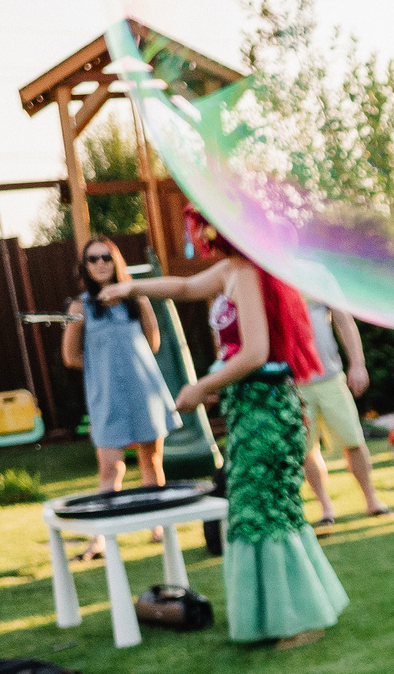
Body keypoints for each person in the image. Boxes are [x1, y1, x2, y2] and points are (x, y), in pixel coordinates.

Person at [103, 212, 348, 648]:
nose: (203, 239)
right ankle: (279, 616)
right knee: (257, 511)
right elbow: (183, 287)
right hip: (249, 412)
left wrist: (202, 386)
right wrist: (130, 287)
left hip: (269, 414)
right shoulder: (233, 270)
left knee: (265, 512)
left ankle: (298, 620)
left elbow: (255, 352)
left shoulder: (251, 274)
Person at [59, 235, 177, 498]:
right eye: (93, 258)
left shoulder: (136, 298)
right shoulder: (80, 306)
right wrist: (102, 369)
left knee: (152, 462)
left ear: (116, 261)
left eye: (106, 257)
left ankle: (158, 527)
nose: (100, 263)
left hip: (144, 391)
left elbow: (152, 343)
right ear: (85, 266)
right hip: (108, 396)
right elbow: (70, 356)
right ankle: (103, 536)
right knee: (110, 468)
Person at [297, 298, 388, 524]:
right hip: (295, 383)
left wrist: (357, 364)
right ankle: (326, 509)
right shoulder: (276, 277)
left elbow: (344, 320)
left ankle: (371, 500)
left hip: (330, 377)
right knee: (307, 449)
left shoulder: (319, 274)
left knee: (353, 440)